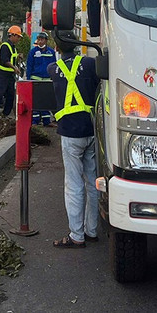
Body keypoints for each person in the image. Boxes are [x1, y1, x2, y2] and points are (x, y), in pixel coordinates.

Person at [48, 30, 99, 248]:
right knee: (93, 182)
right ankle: (92, 230)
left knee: (74, 184)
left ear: (57, 48)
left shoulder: (53, 69)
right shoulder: (89, 65)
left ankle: (76, 235)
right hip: (91, 130)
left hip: (69, 133)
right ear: (76, 44)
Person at [0, 25, 23, 122]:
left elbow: (12, 58)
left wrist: (18, 57)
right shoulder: (5, 46)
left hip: (10, 76)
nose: (18, 39)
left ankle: (5, 114)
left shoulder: (13, 47)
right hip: (2, 75)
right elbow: (5, 60)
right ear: (12, 35)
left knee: (10, 95)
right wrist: (14, 68)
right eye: (17, 37)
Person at [26, 31, 56, 125]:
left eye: (42, 39)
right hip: (36, 79)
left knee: (46, 100)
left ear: (46, 40)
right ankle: (35, 121)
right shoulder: (33, 52)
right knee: (36, 101)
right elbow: (29, 66)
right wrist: (28, 78)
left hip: (47, 80)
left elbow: (54, 65)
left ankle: (46, 121)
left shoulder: (51, 52)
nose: (40, 41)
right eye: (38, 39)